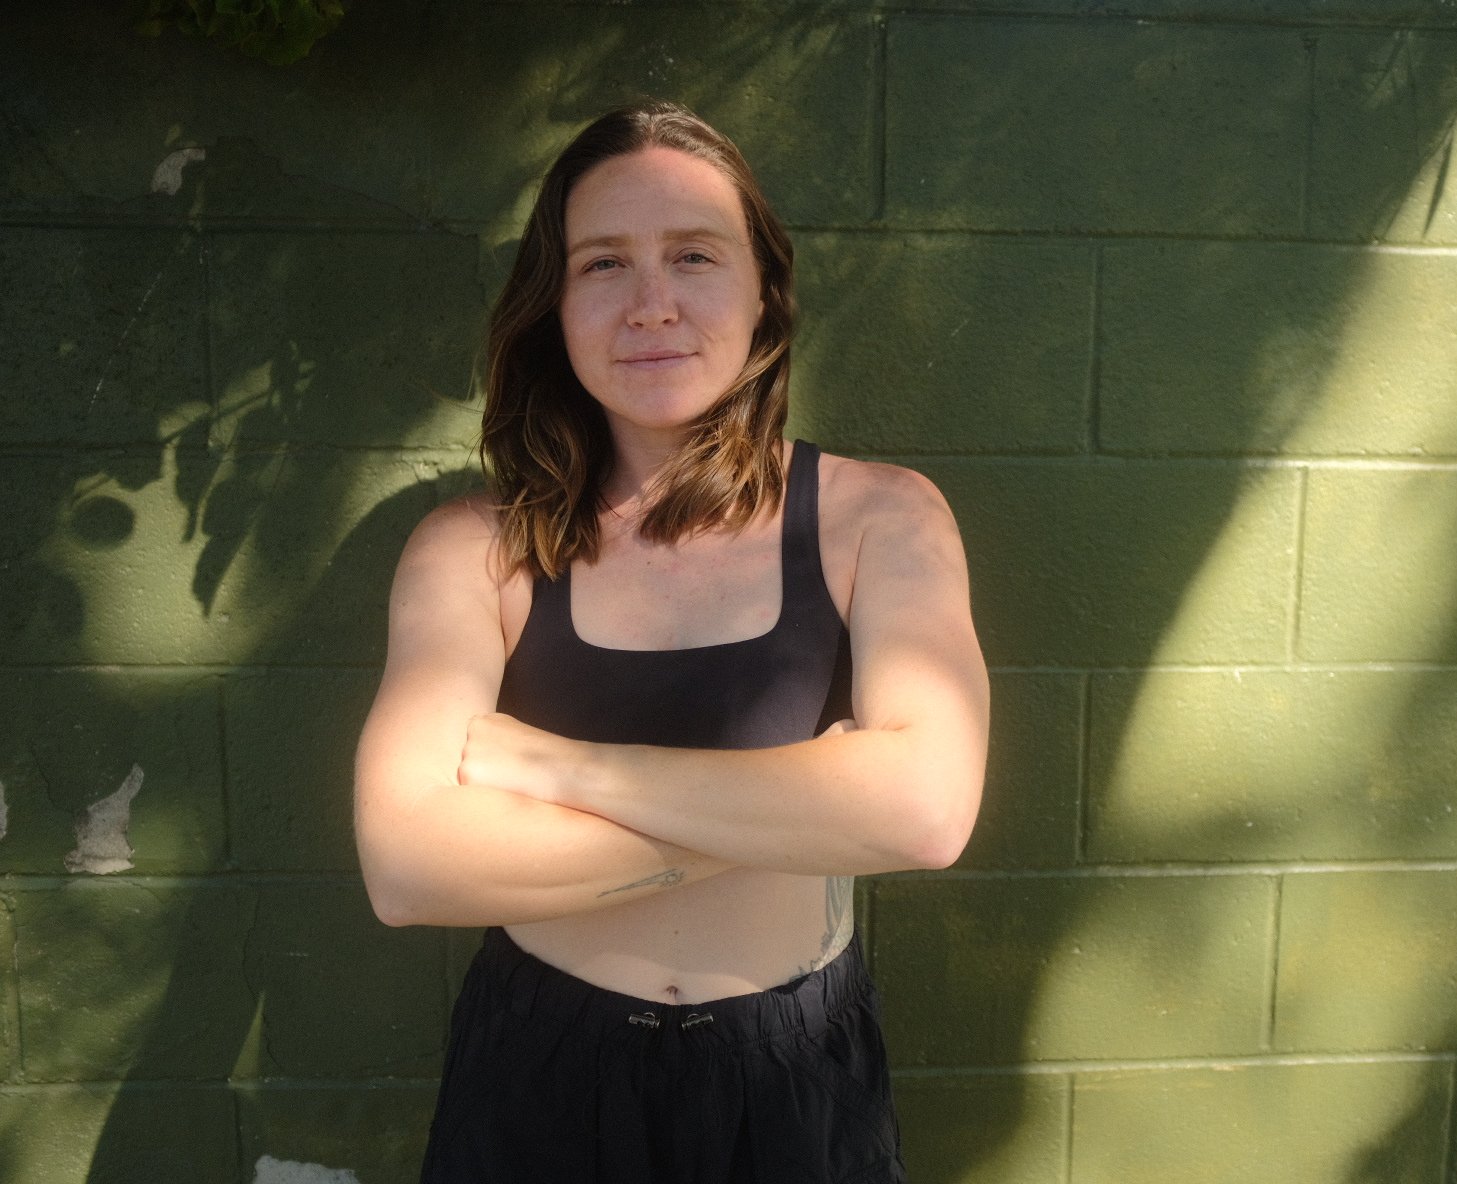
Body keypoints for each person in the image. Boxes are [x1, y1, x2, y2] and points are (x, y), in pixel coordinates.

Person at [352, 100, 990, 1183]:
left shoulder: (880, 517)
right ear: (554, 304)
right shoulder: (476, 549)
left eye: (694, 255)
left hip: (794, 1081)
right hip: (539, 1080)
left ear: (762, 294)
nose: (653, 303)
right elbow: (408, 866)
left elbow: (926, 811)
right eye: (604, 265)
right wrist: (815, 807)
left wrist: (562, 767)